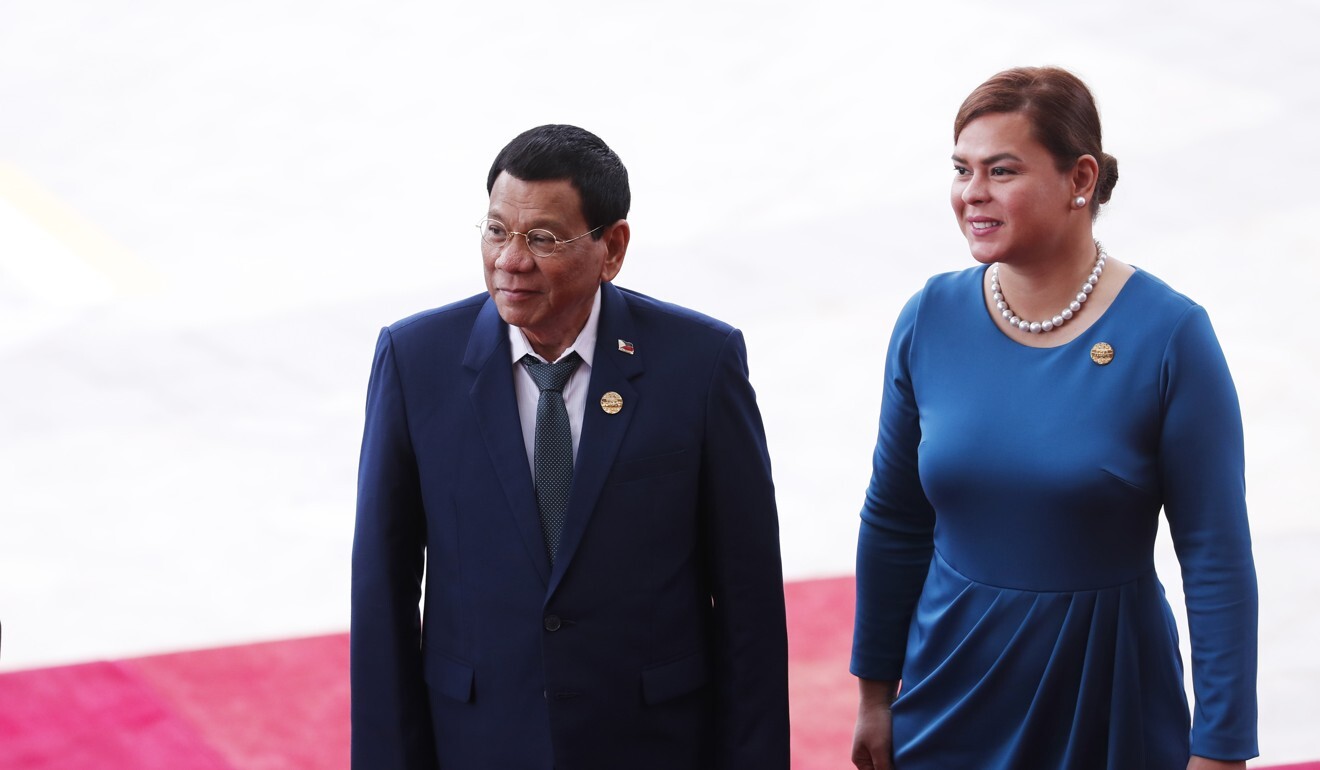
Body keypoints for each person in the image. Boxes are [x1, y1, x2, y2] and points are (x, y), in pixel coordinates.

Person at [849, 67, 1258, 770]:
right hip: (952, 685)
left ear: (1081, 179)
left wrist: (1221, 748)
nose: (972, 193)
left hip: (1106, 691)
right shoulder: (930, 317)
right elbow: (894, 519)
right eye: (961, 169)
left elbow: (1216, 558)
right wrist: (875, 696)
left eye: (1001, 170)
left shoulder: (1171, 336)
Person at [351, 124, 790, 769]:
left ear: (612, 248)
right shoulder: (417, 363)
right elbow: (382, 592)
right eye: (497, 230)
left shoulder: (698, 365)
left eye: (544, 239)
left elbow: (749, 600)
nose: (511, 259)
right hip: (480, 743)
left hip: (652, 746)